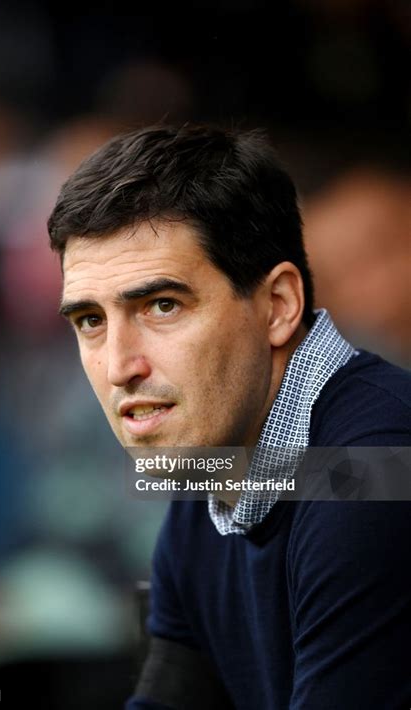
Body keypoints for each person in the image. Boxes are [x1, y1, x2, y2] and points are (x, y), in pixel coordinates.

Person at [47, 125, 411, 709]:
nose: (118, 367)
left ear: (278, 307)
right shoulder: (211, 472)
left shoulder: (376, 471)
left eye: (162, 306)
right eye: (90, 320)